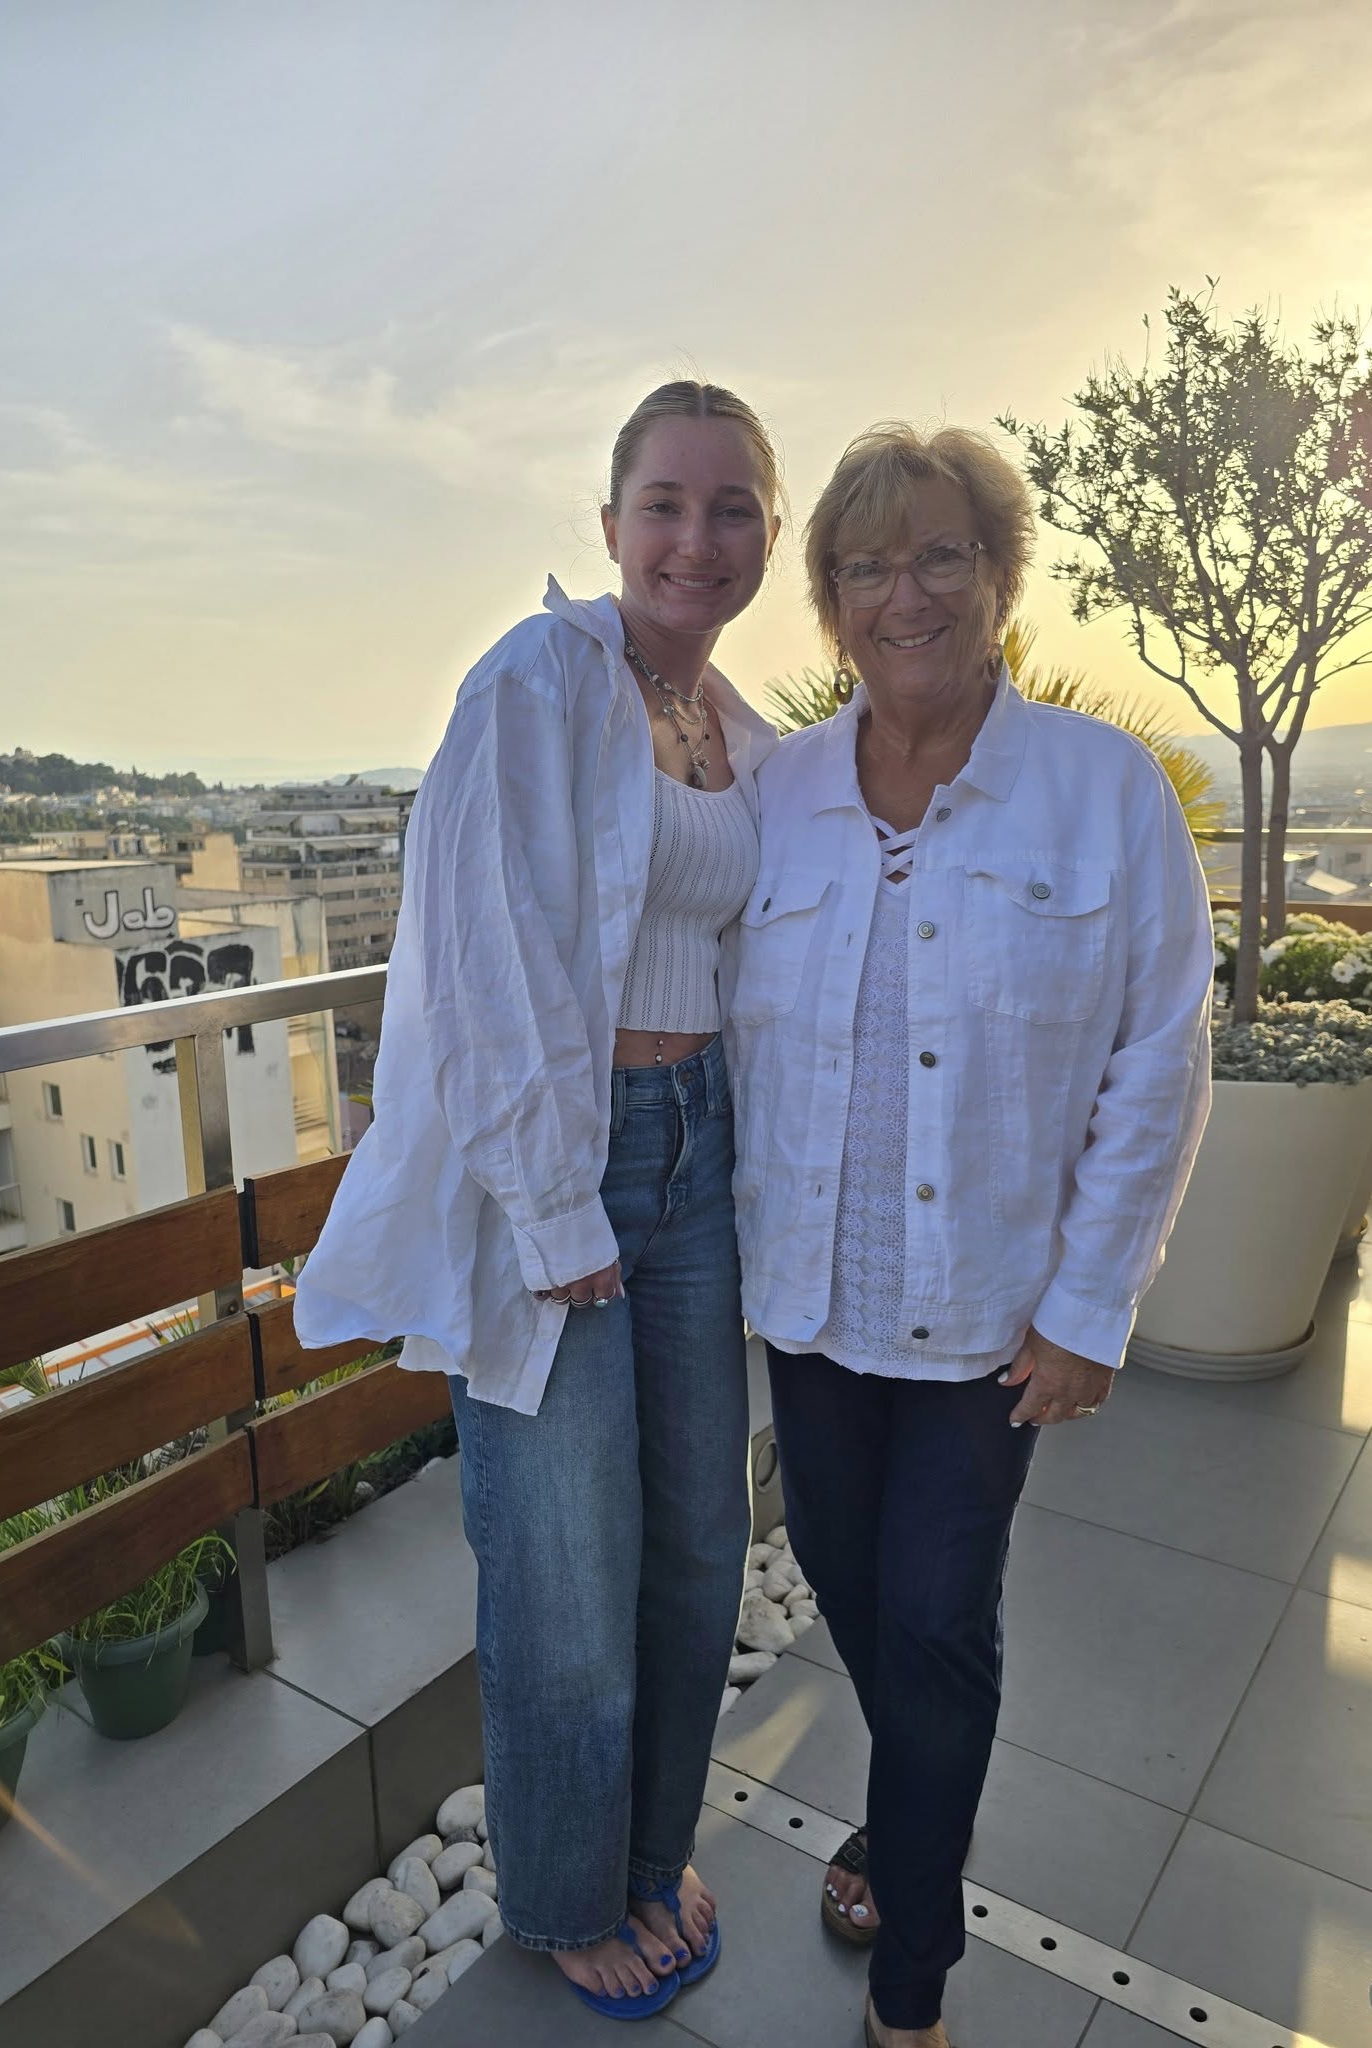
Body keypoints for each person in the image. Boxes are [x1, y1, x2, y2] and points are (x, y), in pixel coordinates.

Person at [295, 381, 782, 2022]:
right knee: (566, 1558)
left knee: (701, 1531)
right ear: (609, 525)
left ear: (766, 539)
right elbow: (477, 963)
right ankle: (569, 1894)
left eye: (731, 509)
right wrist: (557, 1213)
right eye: (665, 502)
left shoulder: (748, 732)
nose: (694, 539)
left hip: (701, 1154)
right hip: (566, 1163)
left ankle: (651, 1849)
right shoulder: (534, 683)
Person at [726, 423, 1213, 2048]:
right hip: (809, 1303)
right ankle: (907, 1803)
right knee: (867, 1607)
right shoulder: (777, 792)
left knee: (937, 1620)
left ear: (1000, 579)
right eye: (868, 565)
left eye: (942, 555)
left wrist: (1093, 1306)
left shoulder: (1101, 794)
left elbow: (1161, 1053)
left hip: (987, 1318)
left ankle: (914, 1990)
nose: (906, 592)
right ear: (833, 602)